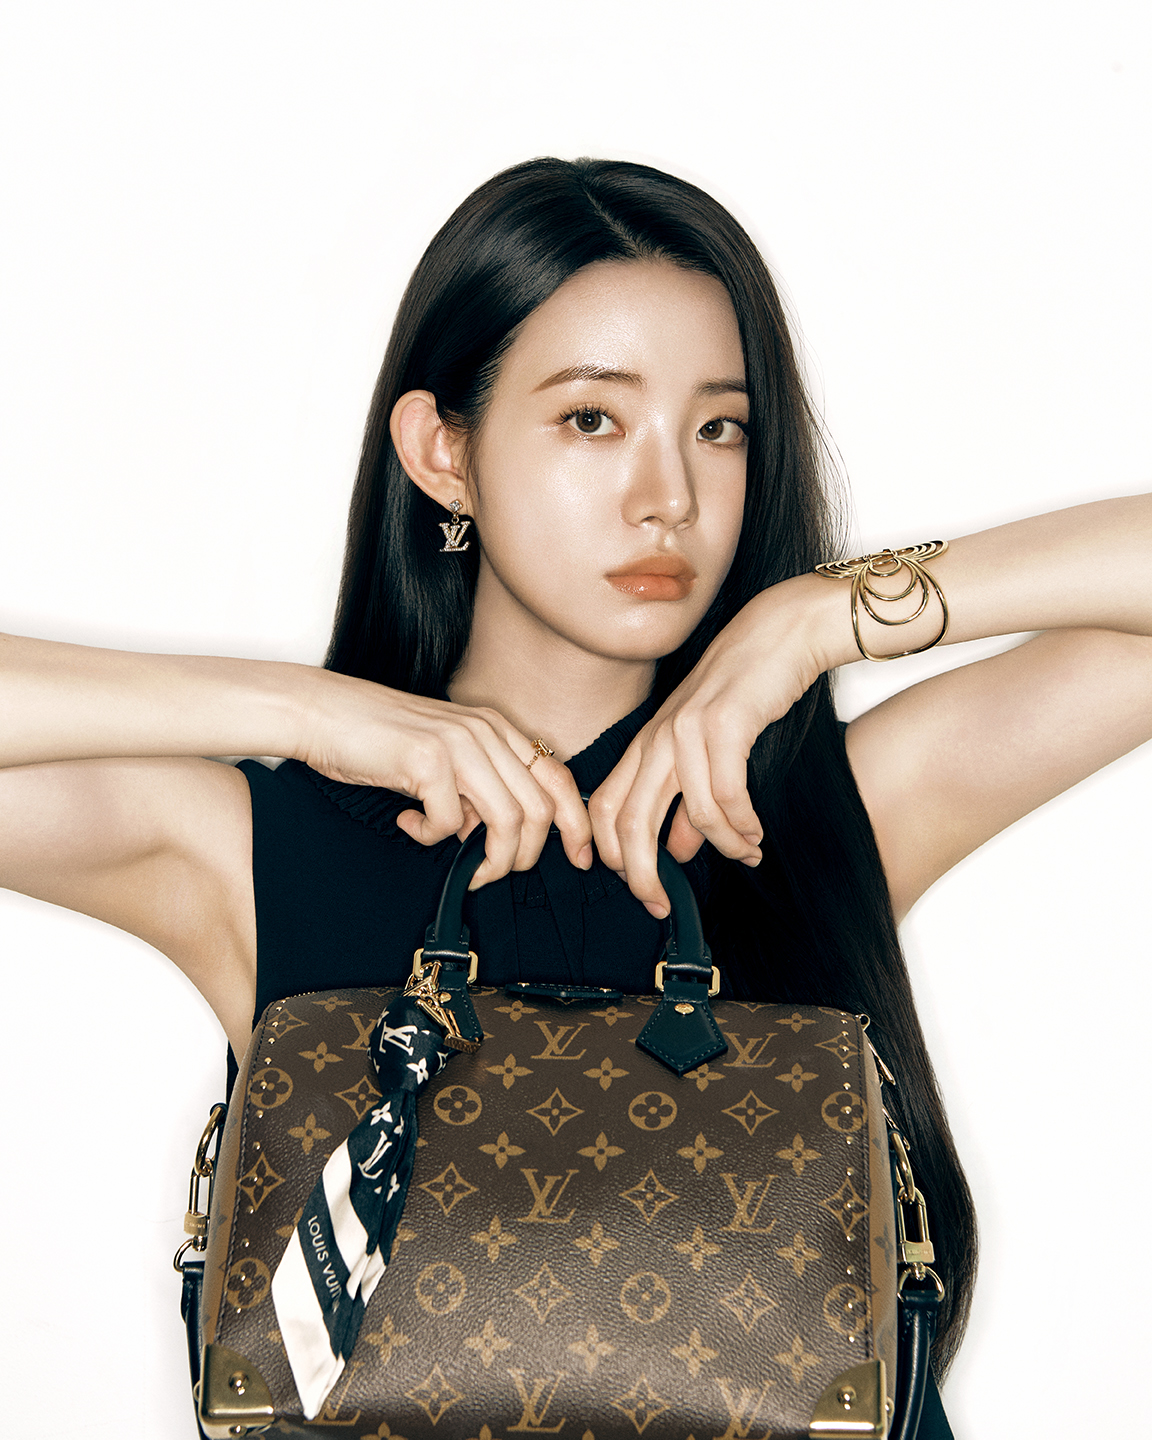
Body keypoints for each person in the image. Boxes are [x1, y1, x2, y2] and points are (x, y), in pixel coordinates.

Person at [2, 157, 1149, 1430]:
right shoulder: (257, 852)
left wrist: (820, 617)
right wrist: (307, 711)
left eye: (719, 428)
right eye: (593, 420)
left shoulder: (815, 811)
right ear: (444, 453)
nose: (670, 499)